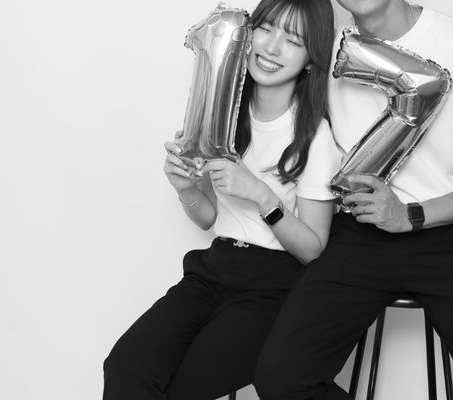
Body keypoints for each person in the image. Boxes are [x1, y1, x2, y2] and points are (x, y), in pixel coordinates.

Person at [254, 1, 453, 399]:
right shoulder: (328, 48)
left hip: (451, 237)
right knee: (280, 380)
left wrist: (410, 215)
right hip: (358, 237)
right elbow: (274, 103)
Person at [102, 1, 339, 399]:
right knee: (127, 365)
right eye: (266, 29)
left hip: (274, 286)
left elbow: (313, 250)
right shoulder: (224, 117)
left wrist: (261, 194)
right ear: (248, 35)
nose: (272, 47)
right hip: (214, 270)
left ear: (311, 60)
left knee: (184, 387)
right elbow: (209, 217)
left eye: (293, 40)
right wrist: (186, 189)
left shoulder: (315, 137)